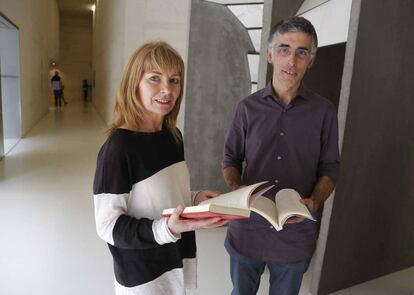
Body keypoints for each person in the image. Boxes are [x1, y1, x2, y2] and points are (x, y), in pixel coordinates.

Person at [93, 41, 227, 295]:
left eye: (174, 80)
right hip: (142, 273)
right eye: (154, 78)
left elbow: (162, 195)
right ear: (134, 83)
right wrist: (165, 229)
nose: (167, 89)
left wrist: (195, 198)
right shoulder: (118, 148)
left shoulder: (172, 135)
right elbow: (107, 225)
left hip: (175, 258)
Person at [222, 16, 340, 295]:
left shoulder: (324, 112)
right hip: (247, 227)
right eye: (285, 49)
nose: (292, 61)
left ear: (310, 60)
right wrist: (236, 189)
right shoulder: (246, 108)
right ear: (270, 54)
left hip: (295, 232)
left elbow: (330, 168)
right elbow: (230, 158)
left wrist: (315, 201)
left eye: (302, 53)